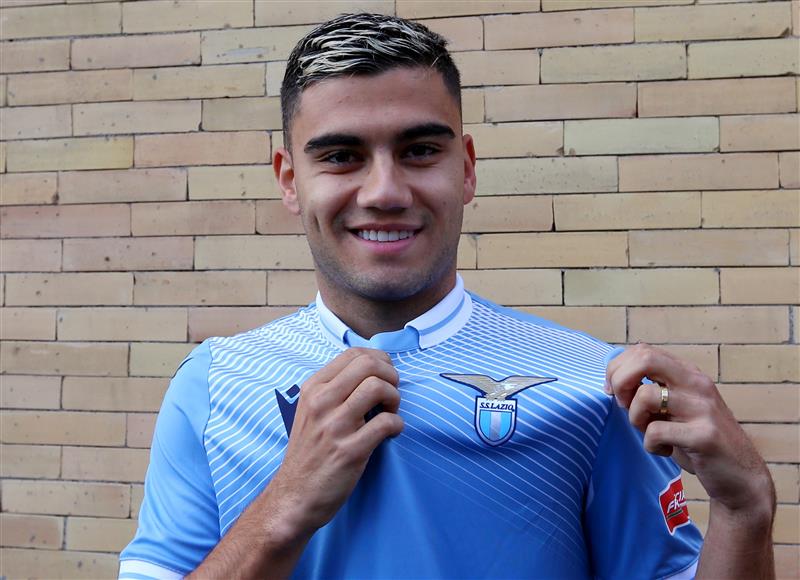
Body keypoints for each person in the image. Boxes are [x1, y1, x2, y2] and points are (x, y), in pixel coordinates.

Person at [119, 13, 776, 579]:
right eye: (342, 156)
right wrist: (283, 510)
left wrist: (745, 512)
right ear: (289, 180)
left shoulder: (594, 387)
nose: (383, 191)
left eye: (418, 150)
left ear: (465, 169)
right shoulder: (212, 387)